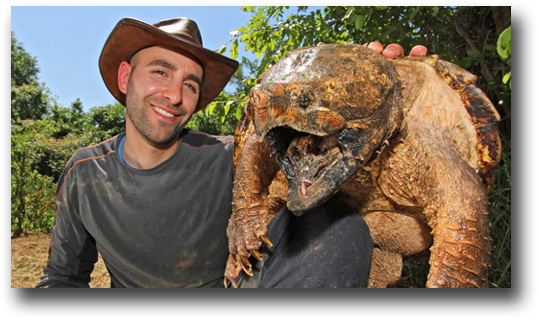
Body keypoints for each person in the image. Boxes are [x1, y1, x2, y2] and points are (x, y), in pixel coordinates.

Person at [36, 16, 427, 288]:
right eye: (160, 71)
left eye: (190, 84)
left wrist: (369, 93)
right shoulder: (85, 173)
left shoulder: (232, 158)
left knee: (341, 228)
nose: (174, 95)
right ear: (125, 78)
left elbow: (331, 166)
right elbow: (63, 277)